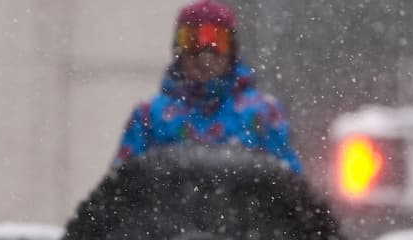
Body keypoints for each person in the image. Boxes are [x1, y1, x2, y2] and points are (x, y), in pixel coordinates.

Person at [111, 0, 302, 173]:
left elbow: (292, 192)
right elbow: (118, 192)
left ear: (232, 52)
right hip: (170, 212)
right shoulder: (149, 117)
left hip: (243, 211)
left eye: (218, 42)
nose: (204, 58)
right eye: (191, 41)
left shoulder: (263, 114)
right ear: (178, 50)